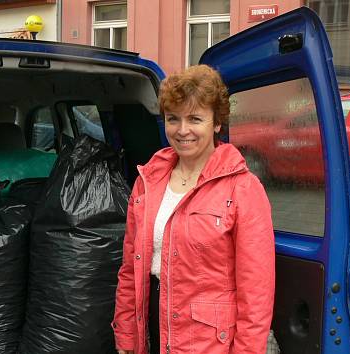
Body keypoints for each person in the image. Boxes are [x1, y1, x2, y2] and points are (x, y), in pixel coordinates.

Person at [112, 65, 275, 354]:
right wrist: (126, 331)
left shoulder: (243, 189)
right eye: (173, 119)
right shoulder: (147, 182)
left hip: (207, 341)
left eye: (195, 119)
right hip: (150, 323)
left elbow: (256, 293)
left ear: (216, 123)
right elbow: (130, 268)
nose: (182, 130)